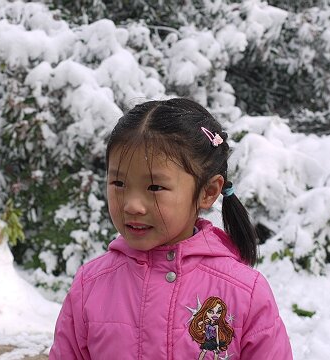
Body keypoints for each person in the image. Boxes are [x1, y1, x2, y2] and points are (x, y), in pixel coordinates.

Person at [49, 98, 293, 359]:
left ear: (208, 192)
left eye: (155, 187)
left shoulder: (244, 292)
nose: (132, 205)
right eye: (118, 183)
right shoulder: (90, 285)